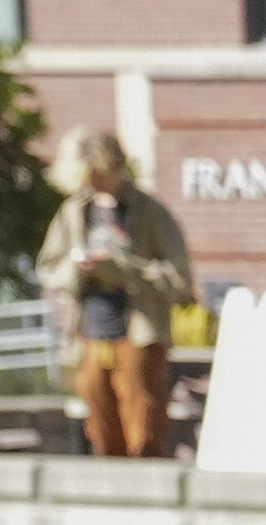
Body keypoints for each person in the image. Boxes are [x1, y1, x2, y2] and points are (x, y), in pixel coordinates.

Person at [37, 134, 196, 461]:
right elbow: (49, 268)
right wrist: (79, 268)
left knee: (144, 431)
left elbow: (180, 281)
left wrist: (121, 269)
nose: (92, 184)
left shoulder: (150, 213)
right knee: (101, 429)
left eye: (97, 175)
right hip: (90, 336)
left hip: (138, 334)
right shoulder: (74, 212)